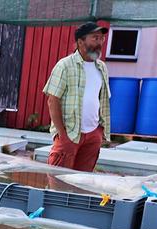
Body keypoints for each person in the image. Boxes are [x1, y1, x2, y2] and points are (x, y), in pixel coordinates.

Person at [43, 22, 111, 172]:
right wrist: (63, 135)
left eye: (101, 39)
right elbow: (52, 101)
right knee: (58, 181)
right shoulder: (65, 66)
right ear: (81, 42)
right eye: (95, 38)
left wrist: (99, 131)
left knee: (81, 182)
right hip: (70, 133)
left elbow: (102, 100)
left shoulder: (102, 68)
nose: (100, 42)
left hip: (93, 134)